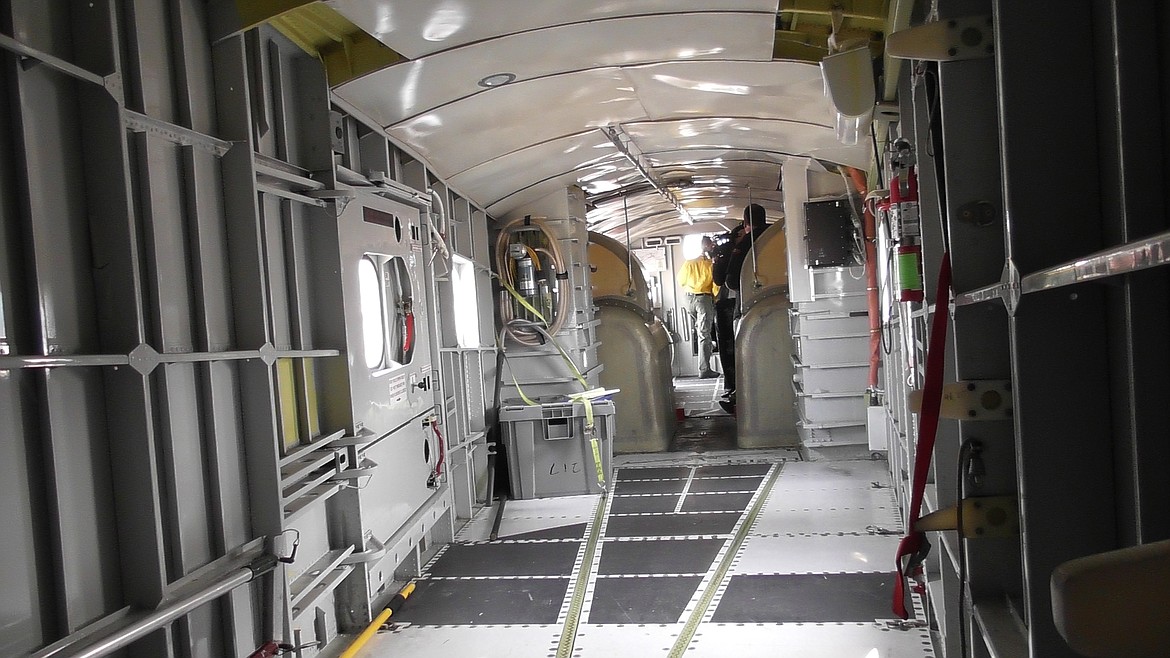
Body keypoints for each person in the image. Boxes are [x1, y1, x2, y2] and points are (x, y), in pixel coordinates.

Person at [710, 203, 769, 412]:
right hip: (778, 303)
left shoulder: (742, 244)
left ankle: (739, 393)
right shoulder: (773, 236)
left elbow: (728, 281)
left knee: (737, 350)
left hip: (744, 305)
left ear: (745, 224)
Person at [676, 236, 718, 378]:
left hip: (688, 299)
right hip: (703, 298)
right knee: (704, 334)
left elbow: (681, 281)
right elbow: (715, 285)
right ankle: (704, 369)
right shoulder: (710, 265)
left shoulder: (689, 263)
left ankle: (705, 359)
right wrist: (716, 298)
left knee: (699, 331)